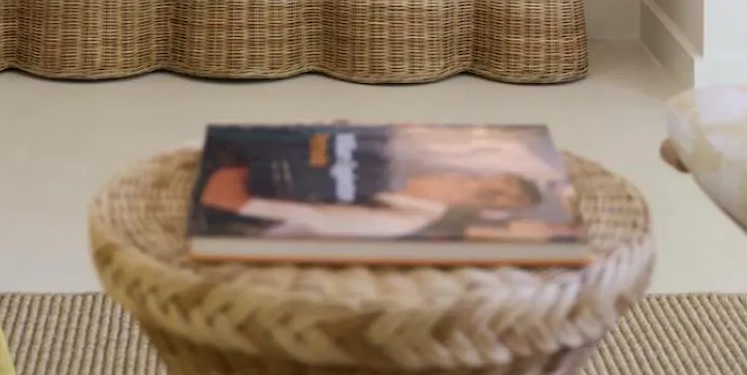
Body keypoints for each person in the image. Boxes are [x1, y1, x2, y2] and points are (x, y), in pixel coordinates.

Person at [198, 130, 543, 240]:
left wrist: (240, 189)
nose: (495, 190)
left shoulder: (406, 219)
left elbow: (238, 202)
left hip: (233, 183)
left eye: (505, 200)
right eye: (506, 182)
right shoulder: (407, 153)